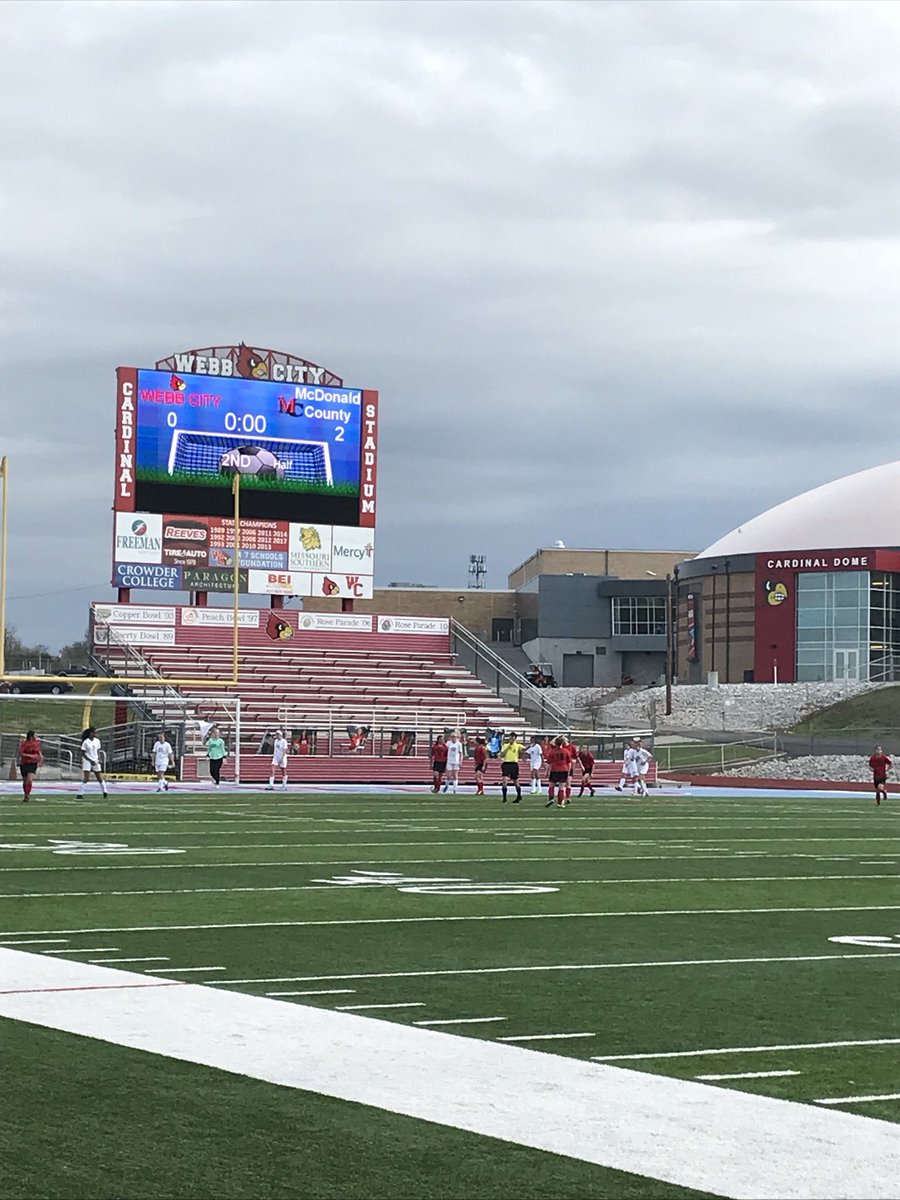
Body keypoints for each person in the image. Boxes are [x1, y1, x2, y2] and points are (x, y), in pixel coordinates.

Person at [77, 726, 108, 800]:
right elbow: (83, 753)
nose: (96, 734)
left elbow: (97, 751)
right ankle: (80, 794)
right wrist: (90, 760)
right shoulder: (86, 742)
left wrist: (99, 759)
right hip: (87, 760)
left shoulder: (97, 741)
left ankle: (105, 792)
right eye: (94, 732)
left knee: (99, 777)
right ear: (91, 733)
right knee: (86, 778)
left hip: (95, 760)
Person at [545, 735, 573, 808]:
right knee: (561, 787)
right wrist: (568, 772)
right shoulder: (566, 751)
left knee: (551, 785)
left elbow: (548, 762)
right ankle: (560, 803)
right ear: (562, 743)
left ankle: (551, 799)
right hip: (564, 770)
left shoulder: (552, 751)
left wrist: (546, 772)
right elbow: (569, 763)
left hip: (554, 770)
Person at [499, 731, 526, 803]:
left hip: (514, 764)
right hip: (506, 763)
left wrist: (529, 747)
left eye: (512, 738)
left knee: (516, 781)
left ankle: (519, 796)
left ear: (515, 738)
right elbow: (502, 755)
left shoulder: (518, 746)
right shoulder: (505, 745)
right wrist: (508, 747)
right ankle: (504, 798)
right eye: (510, 738)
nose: (511, 739)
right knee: (504, 780)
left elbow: (524, 749)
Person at [17, 729, 43, 803]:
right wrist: (30, 756)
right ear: (31, 736)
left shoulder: (36, 743)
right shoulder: (24, 743)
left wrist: (41, 758)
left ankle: (28, 795)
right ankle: (26, 795)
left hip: (33, 764)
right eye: (35, 735)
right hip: (24, 763)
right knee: (25, 781)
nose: (36, 736)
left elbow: (38, 752)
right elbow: (21, 753)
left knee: (29, 779)